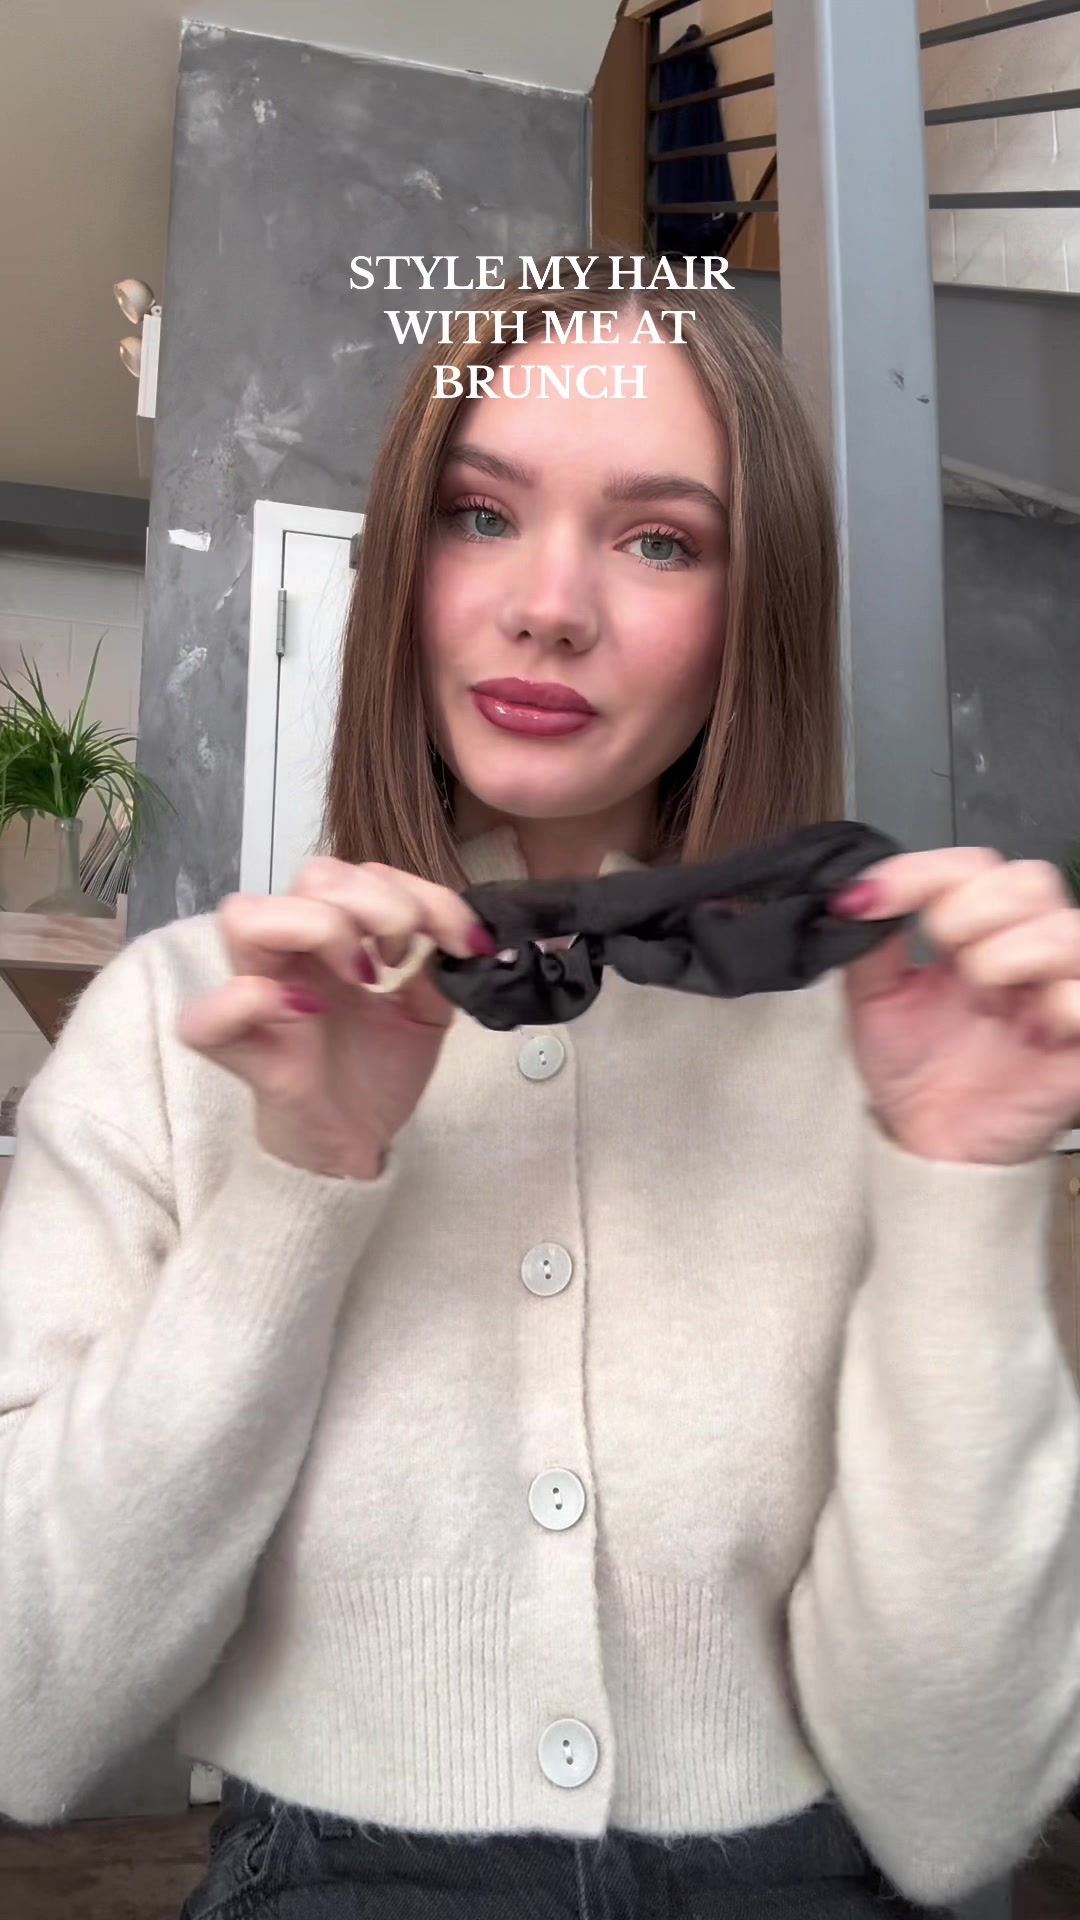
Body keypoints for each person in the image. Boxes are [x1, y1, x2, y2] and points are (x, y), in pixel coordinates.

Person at [2, 258, 1080, 1920]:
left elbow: (957, 1817)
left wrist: (957, 1182)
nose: (550, 605)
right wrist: (299, 1176)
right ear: (402, 559)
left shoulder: (889, 1047)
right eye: (480, 514)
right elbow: (29, 1723)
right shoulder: (176, 1027)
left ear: (753, 612)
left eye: (660, 541)